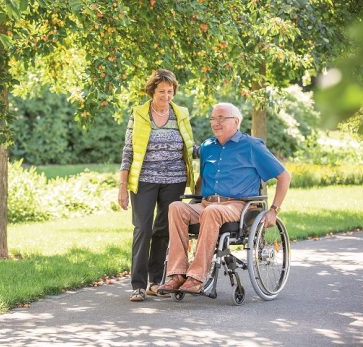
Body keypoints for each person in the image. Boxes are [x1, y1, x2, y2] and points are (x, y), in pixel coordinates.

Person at [158, 102, 291, 294]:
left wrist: (273, 209)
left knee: (212, 211)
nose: (215, 122)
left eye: (221, 118)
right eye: (213, 118)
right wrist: (194, 200)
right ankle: (177, 274)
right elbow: (203, 178)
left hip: (239, 206)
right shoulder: (207, 147)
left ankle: (196, 277)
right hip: (207, 204)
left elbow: (284, 176)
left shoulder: (252, 146)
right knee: (176, 207)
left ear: (236, 121)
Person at [118, 69, 197, 302]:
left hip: (174, 180)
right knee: (142, 228)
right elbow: (128, 151)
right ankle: (138, 285)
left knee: (163, 230)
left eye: (170, 91)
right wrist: (122, 185)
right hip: (144, 180)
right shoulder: (139, 114)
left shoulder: (180, 113)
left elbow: (190, 145)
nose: (166, 96)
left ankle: (155, 281)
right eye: (161, 91)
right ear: (152, 90)